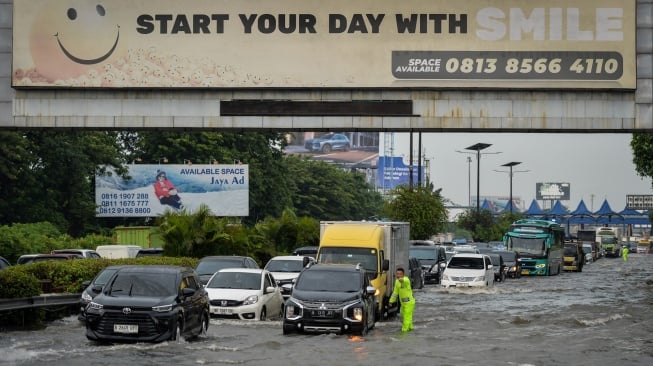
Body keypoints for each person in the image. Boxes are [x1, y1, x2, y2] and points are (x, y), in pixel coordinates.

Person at [389, 267, 415, 332]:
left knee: (406, 317)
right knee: (403, 317)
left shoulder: (406, 280)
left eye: (400, 274)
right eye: (397, 274)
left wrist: (401, 279)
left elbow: (404, 280)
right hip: (403, 304)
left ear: (403, 274)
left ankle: (404, 332)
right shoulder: (397, 282)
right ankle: (411, 329)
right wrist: (391, 301)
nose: (398, 275)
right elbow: (395, 293)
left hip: (409, 303)